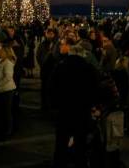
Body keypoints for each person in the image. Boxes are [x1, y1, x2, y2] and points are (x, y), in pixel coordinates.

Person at [52, 38, 99, 167]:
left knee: (61, 140)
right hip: (82, 110)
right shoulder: (89, 69)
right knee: (80, 140)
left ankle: (59, 162)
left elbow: (53, 88)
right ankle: (80, 162)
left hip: (64, 109)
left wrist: (55, 105)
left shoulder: (60, 66)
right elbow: (94, 90)